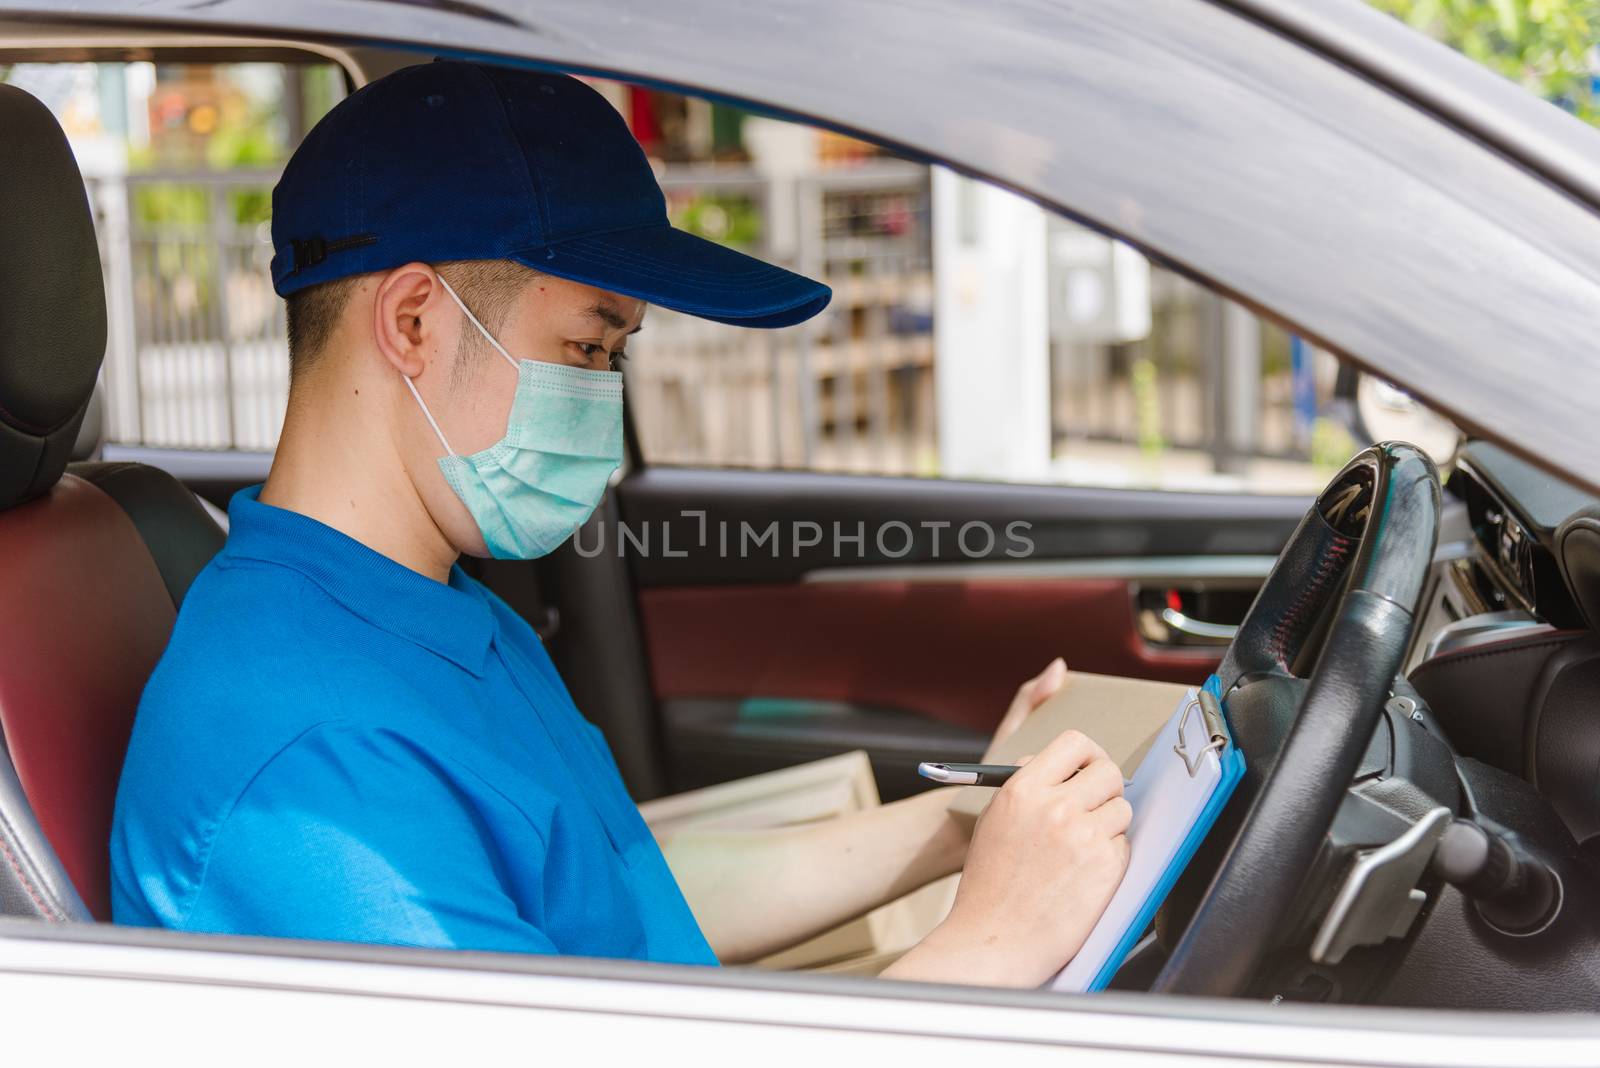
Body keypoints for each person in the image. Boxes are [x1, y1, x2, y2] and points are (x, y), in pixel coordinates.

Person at [109, 60, 1130, 988]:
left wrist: (963, 826)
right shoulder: (309, 763)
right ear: (413, 323)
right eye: (589, 349)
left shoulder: (433, 610)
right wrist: (993, 943)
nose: (601, 396)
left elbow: (615, 895)